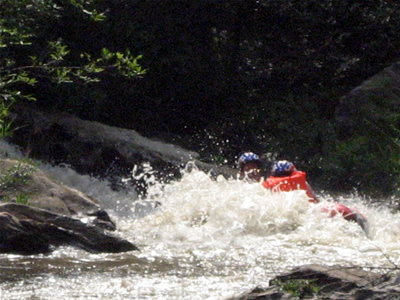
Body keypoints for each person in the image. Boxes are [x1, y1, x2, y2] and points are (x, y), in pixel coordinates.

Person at [237, 154, 369, 235]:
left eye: (254, 168)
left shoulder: (266, 186)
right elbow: (316, 201)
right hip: (316, 213)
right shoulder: (302, 183)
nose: (252, 172)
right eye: (248, 168)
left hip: (300, 219)